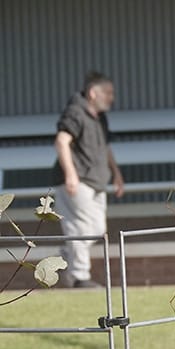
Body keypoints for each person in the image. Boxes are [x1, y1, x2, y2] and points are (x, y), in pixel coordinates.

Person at [53, 70, 123, 289]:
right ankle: (79, 277)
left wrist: (117, 173)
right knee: (81, 228)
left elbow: (105, 147)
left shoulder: (100, 117)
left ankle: (67, 257)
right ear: (93, 93)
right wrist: (71, 174)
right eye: (108, 93)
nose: (112, 97)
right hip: (78, 180)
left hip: (96, 181)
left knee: (96, 228)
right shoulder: (75, 113)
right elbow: (62, 141)